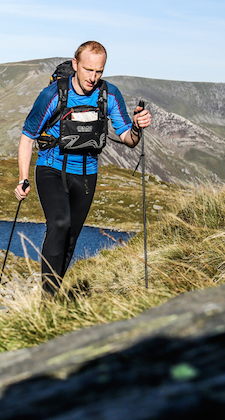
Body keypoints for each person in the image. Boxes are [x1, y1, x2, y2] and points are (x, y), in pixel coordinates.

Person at [14, 40, 151, 296]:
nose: (93, 77)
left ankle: (53, 292)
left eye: (99, 71)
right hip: (51, 168)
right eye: (88, 70)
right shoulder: (52, 95)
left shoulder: (109, 95)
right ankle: (48, 299)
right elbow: (27, 136)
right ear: (75, 64)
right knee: (60, 223)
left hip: (87, 175)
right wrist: (23, 178)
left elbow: (128, 140)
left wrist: (136, 127)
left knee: (71, 238)